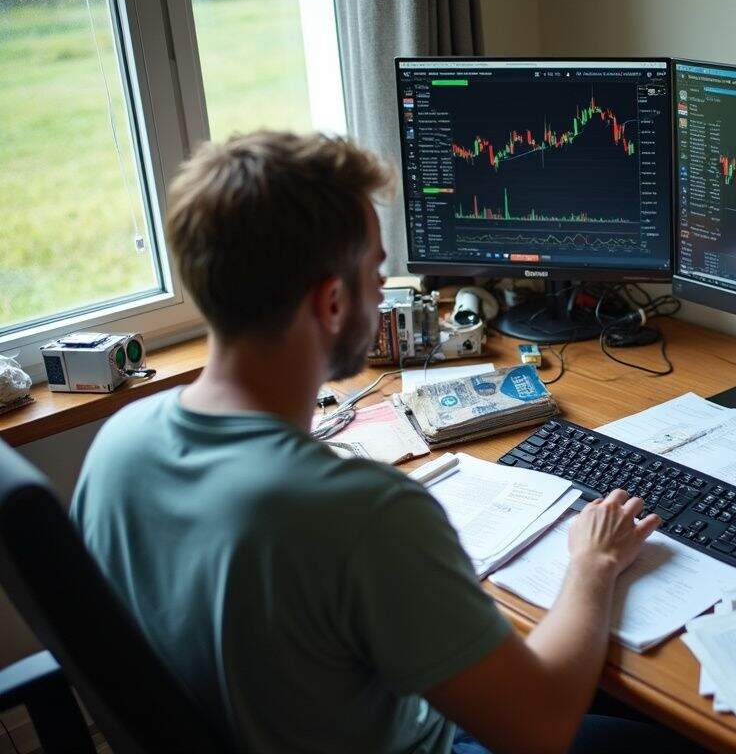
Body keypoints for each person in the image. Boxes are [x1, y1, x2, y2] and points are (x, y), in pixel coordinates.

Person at [70, 132, 683, 754]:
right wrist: (594, 565)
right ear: (332, 302)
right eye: (376, 271)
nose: (385, 287)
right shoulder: (360, 512)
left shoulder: (117, 446)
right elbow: (539, 729)